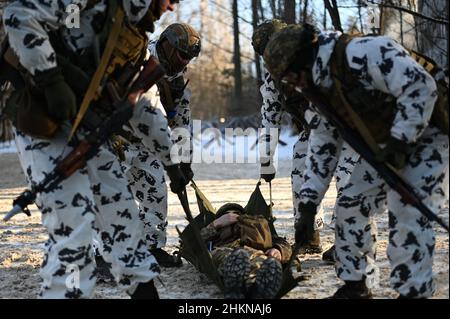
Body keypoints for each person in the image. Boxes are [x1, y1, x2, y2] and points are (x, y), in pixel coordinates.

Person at [1, 0, 186, 298]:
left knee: (122, 217)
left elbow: (145, 108)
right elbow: (18, 14)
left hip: (88, 133)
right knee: (73, 228)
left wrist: (172, 163)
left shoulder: (136, 40)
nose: (172, 7)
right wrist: (51, 80)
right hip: (46, 125)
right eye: (171, 0)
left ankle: (144, 291)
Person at [263, 24, 448, 298]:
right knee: (350, 204)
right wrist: (308, 205)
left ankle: (414, 292)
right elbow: (324, 144)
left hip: (428, 134)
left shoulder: (364, 52)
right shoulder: (319, 86)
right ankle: (356, 284)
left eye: (291, 76)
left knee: (406, 209)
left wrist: (401, 141)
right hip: (386, 142)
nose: (293, 85)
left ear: (304, 58)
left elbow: (422, 86)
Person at [252, 20, 359, 257]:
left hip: (350, 126)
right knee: (301, 170)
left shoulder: (320, 56)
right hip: (316, 129)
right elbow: (269, 118)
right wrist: (266, 160)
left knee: (347, 178)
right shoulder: (273, 81)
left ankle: (347, 241)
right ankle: (309, 235)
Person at [116, 22, 201, 267]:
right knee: (107, 197)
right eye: (183, 55)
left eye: (190, 58)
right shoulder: (139, 60)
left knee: (156, 196)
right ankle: (101, 254)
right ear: (168, 45)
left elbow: (183, 123)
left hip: (147, 145)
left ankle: (151, 247)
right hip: (114, 141)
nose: (185, 62)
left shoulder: (177, 82)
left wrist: (184, 161)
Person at [199, 203, 292, 299]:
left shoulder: (255, 228)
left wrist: (278, 250)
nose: (232, 216)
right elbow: (195, 242)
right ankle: (238, 286)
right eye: (227, 214)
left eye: (236, 213)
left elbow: (283, 244)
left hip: (254, 253)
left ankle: (256, 290)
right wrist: (216, 224)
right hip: (223, 251)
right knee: (232, 258)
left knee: (264, 263)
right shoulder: (215, 232)